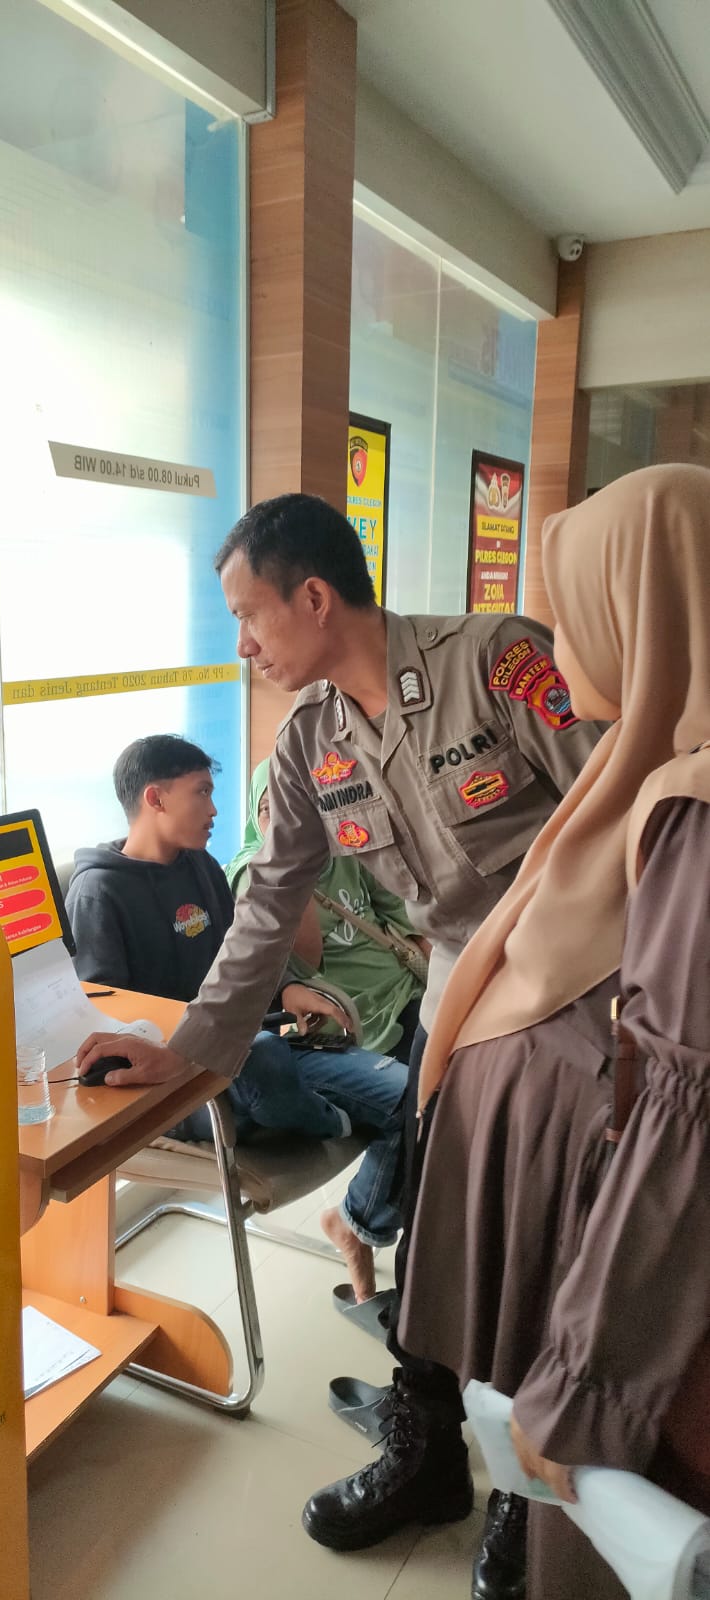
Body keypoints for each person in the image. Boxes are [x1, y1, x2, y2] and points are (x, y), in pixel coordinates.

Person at [74, 495, 603, 1589]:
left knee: (551, 1252)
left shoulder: (495, 662)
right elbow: (266, 905)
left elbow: (629, 803)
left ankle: (528, 1490)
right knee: (440, 1234)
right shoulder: (306, 743)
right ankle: (428, 1455)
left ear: (313, 597)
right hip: (460, 1000)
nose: (242, 643)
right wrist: (193, 1050)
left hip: (579, 994)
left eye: (248, 614)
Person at [384, 463, 710, 1599]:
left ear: (643, 613)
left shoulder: (691, 812)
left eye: (570, 616)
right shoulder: (641, 770)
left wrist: (584, 1386)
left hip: (632, 1317)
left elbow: (683, 1120)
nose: (552, 647)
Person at [66, 734, 410, 1216]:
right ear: (155, 798)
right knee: (264, 1056)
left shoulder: (202, 866)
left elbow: (246, 954)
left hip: (251, 1052)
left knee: (418, 1099)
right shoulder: (98, 893)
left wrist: (289, 988)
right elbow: (108, 1018)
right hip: (181, 1086)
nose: (215, 810)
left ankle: (360, 1222)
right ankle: (322, 1117)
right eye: (202, 792)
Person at [227, 755, 426, 1300]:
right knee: (429, 1107)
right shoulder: (254, 871)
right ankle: (360, 1225)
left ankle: (391, 1224)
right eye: (274, 809)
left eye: (305, 805)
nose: (294, 818)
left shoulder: (347, 849)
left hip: (405, 994)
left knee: (475, 1087)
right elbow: (304, 963)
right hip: (347, 1025)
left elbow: (403, 918)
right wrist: (289, 862)